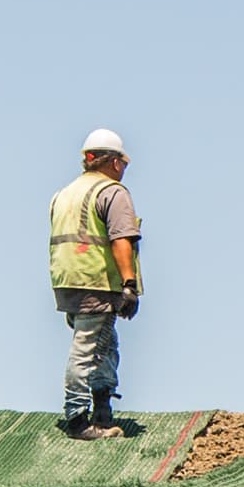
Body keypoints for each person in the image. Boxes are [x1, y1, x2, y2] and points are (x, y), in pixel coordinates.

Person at [48, 126, 144, 436]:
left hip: (67, 281)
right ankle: (77, 417)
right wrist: (128, 285)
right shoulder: (112, 192)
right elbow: (121, 239)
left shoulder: (64, 193)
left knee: (104, 341)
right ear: (115, 162)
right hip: (96, 281)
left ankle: (102, 406)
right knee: (88, 347)